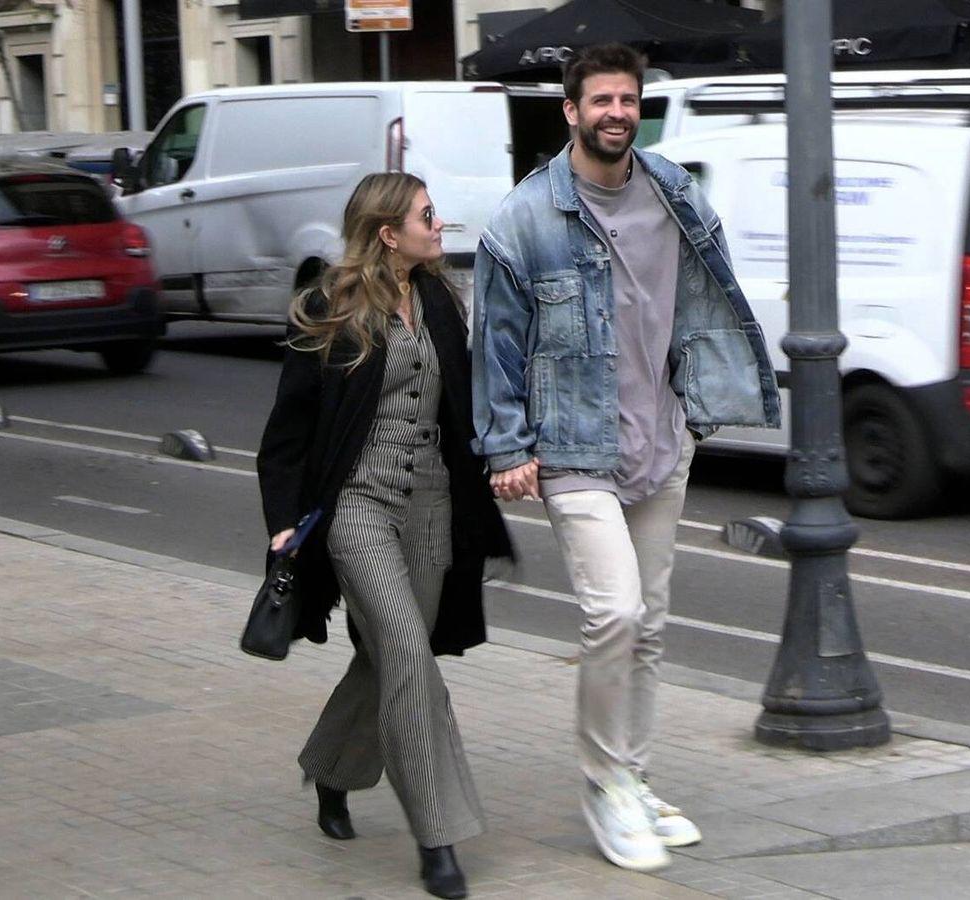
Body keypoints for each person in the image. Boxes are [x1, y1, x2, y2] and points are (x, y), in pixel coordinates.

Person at [471, 43, 781, 872]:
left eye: (628, 100)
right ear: (570, 111)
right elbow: (495, 341)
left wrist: (700, 400)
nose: (616, 112)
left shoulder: (675, 191)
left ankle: (635, 779)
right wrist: (506, 445)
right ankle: (605, 786)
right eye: (601, 100)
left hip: (662, 438)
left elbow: (710, 303)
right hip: (574, 446)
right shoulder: (525, 217)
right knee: (612, 613)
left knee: (649, 625)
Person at [258, 172, 511, 900]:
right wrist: (283, 523)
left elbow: (466, 403)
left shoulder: (440, 301)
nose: (440, 225)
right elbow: (288, 430)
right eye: (427, 216)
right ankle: (439, 837)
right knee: (405, 651)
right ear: (387, 234)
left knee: (387, 659)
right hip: (357, 506)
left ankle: (333, 769)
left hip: (431, 506)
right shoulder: (330, 308)